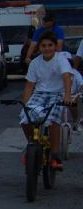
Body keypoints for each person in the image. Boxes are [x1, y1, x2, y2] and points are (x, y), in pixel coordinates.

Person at [20, 31, 72, 170]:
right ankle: (32, 145)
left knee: (54, 120)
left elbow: (66, 77)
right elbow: (29, 86)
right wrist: (25, 104)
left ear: (55, 46)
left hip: (57, 94)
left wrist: (67, 96)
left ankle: (55, 154)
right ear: (39, 48)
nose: (47, 48)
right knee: (25, 119)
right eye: (43, 45)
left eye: (50, 45)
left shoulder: (61, 59)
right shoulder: (35, 63)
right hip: (39, 94)